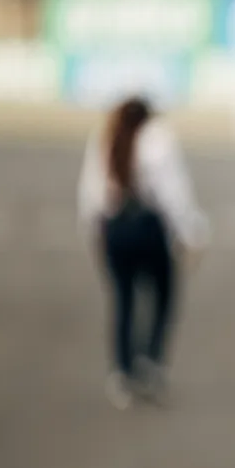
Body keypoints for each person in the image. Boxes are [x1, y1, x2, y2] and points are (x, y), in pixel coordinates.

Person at [75, 96, 209, 408]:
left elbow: (91, 190)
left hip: (114, 227)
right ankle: (151, 359)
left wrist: (92, 231)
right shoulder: (158, 139)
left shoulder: (105, 136)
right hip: (148, 227)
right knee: (163, 295)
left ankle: (123, 372)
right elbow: (173, 192)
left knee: (123, 300)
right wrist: (192, 232)